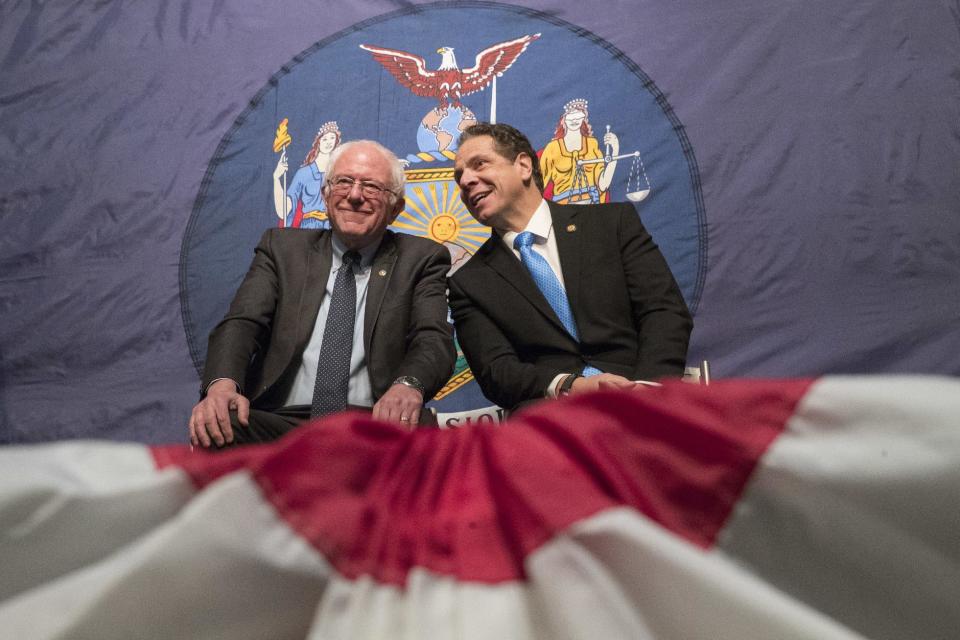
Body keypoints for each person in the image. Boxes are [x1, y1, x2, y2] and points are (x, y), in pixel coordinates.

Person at [190, 140, 456, 447]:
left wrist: (408, 385)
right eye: (343, 181)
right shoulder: (282, 248)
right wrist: (222, 386)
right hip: (281, 418)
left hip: (374, 421)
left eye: (371, 186)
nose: (355, 196)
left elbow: (432, 338)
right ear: (326, 194)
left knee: (421, 435)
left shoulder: (421, 258)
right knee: (219, 424)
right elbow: (242, 322)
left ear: (396, 208)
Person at [449, 123, 692, 412]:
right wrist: (569, 386)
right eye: (459, 176)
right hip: (550, 424)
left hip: (643, 400)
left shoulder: (612, 224)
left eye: (479, 164)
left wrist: (645, 392)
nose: (466, 180)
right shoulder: (469, 282)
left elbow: (664, 312)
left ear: (524, 166)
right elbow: (497, 372)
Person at [539, 99, 619, 205]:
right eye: (571, 117)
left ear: (583, 119)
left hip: (592, 204)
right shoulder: (552, 148)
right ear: (564, 120)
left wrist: (615, 152)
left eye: (578, 117)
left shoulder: (592, 144)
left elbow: (603, 185)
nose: (574, 120)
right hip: (564, 208)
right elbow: (537, 186)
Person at [273, 121, 340, 228]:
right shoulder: (304, 173)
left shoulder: (339, 172)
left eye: (332, 137)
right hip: (310, 229)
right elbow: (284, 211)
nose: (329, 142)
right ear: (318, 142)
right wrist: (276, 178)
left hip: (334, 228)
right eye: (325, 139)